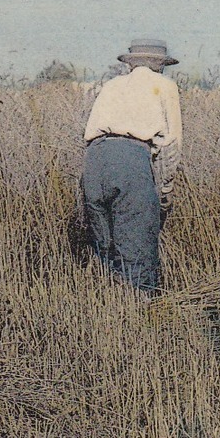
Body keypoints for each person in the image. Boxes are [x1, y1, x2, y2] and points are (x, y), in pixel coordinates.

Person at [81, 39, 184, 294]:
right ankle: (143, 312)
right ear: (159, 64)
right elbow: (171, 145)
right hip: (131, 160)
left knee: (104, 246)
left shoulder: (111, 85)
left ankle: (109, 307)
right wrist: (164, 193)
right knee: (137, 250)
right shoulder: (165, 86)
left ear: (131, 64)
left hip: (94, 159)